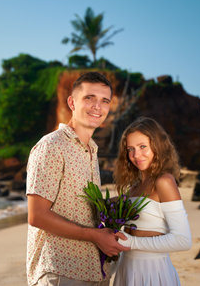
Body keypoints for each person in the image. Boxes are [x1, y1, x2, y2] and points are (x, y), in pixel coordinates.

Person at [26, 72, 129, 286]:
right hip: (60, 270)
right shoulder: (52, 146)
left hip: (93, 269)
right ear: (72, 102)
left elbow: (80, 208)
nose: (97, 107)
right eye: (89, 98)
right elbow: (37, 215)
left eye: (104, 101)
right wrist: (95, 236)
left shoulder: (91, 150)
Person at [112, 117, 192, 285]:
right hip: (126, 267)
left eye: (143, 147)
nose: (136, 155)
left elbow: (183, 240)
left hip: (152, 271)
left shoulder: (164, 181)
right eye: (130, 149)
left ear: (157, 146)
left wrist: (132, 242)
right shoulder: (134, 187)